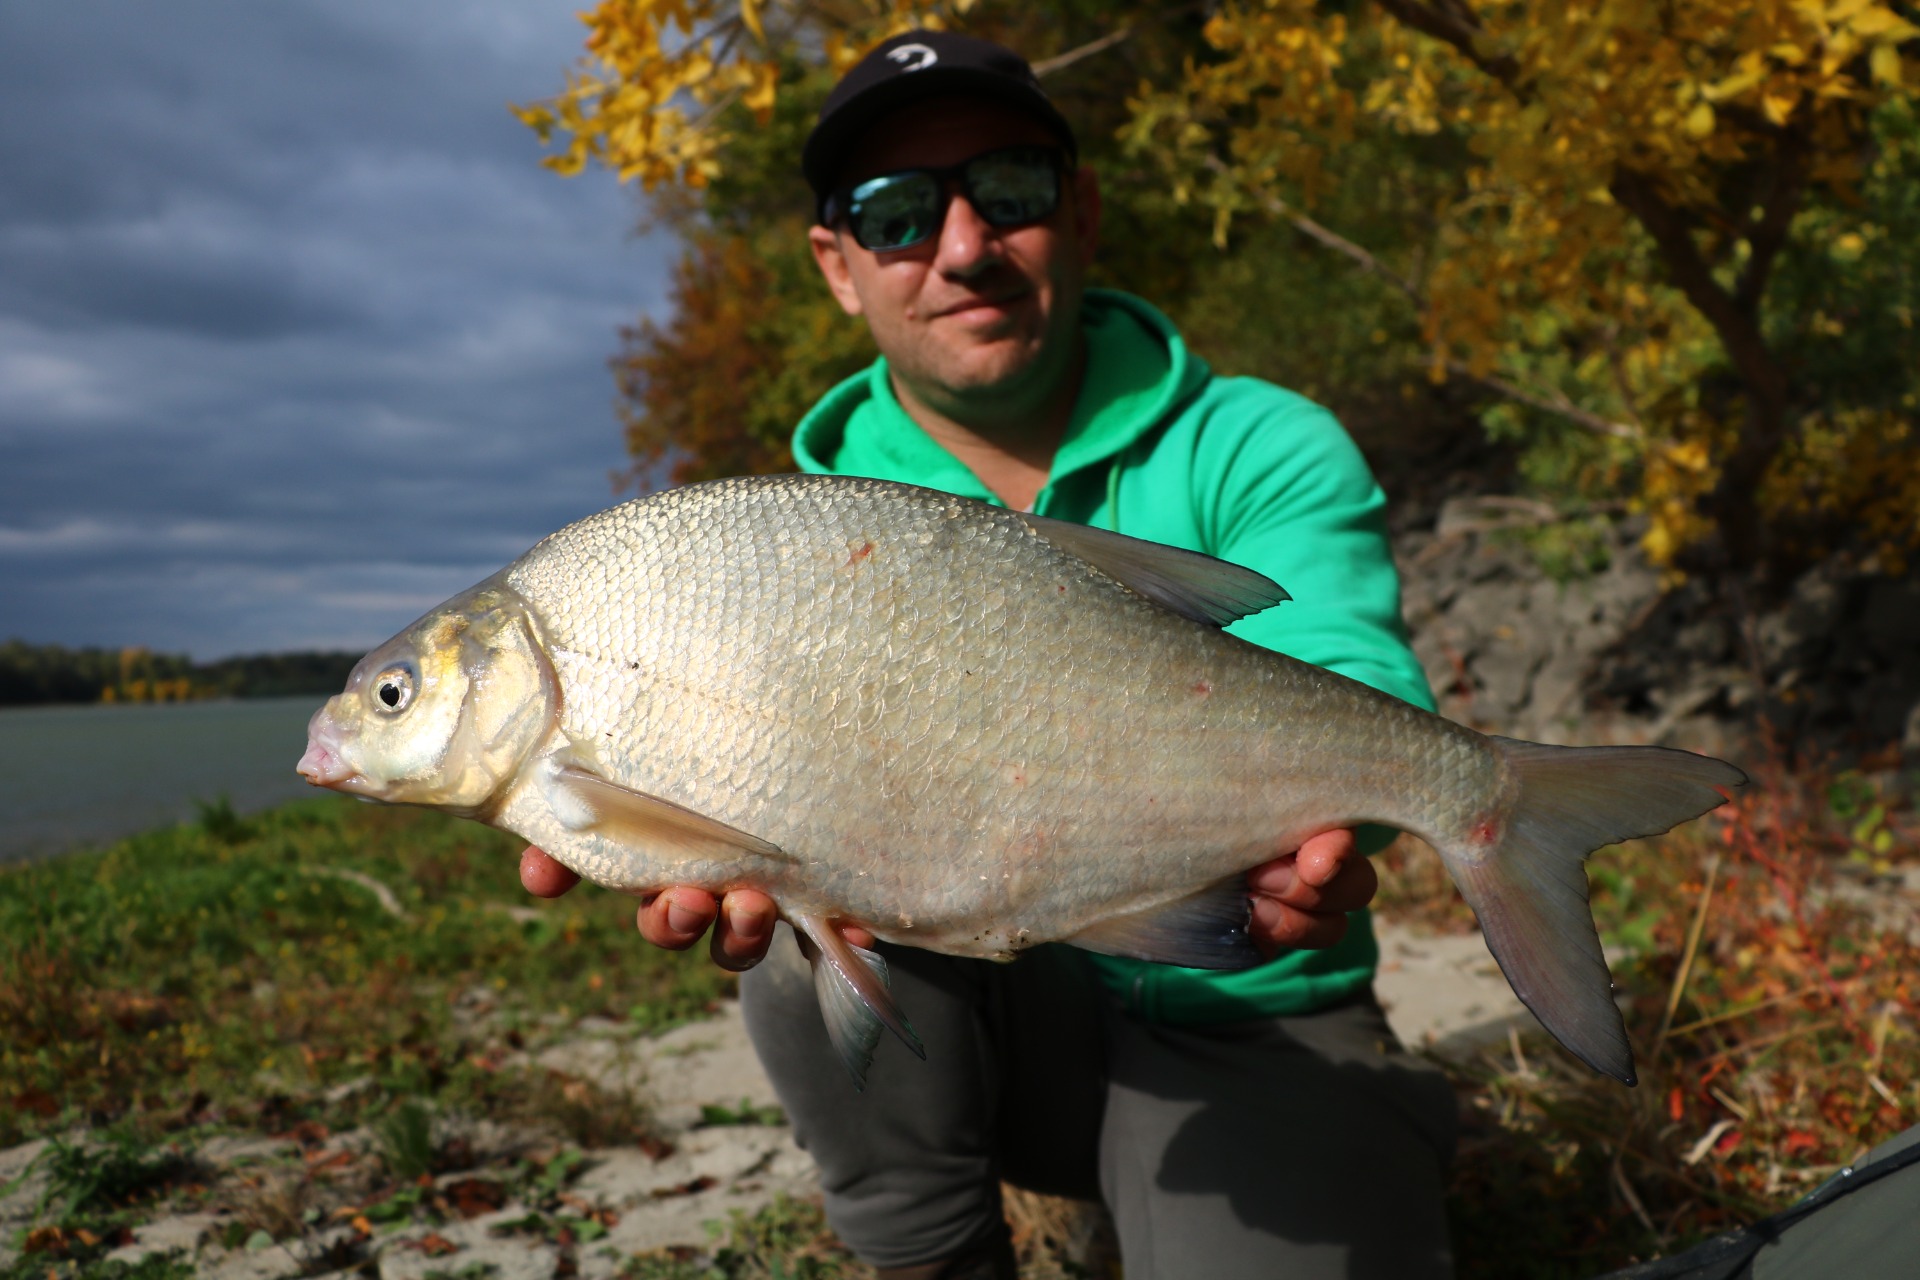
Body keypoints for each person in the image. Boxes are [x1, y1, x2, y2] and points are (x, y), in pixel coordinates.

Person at [521, 30, 1457, 1279]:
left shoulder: (1261, 441)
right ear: (839, 265)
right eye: (899, 214)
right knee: (802, 939)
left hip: (1249, 996)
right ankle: (934, 1254)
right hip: (985, 1036)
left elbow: (1358, 679)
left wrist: (1367, 812)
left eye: (1005, 191)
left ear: (1081, 208)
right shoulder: (785, 539)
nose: (963, 247)